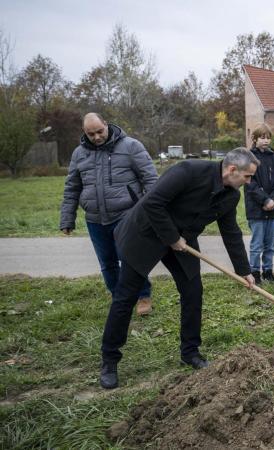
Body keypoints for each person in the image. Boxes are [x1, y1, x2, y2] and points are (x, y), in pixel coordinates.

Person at [99, 148, 258, 389]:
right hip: (146, 233)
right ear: (232, 170)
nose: (249, 182)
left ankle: (190, 352)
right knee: (126, 297)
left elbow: (231, 233)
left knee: (193, 291)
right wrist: (172, 237)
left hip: (182, 241)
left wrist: (244, 270)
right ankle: (109, 360)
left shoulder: (230, 196)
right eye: (248, 176)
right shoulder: (188, 171)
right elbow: (153, 203)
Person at [60, 113, 157, 315]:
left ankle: (143, 296)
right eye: (91, 133)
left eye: (99, 131)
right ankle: (119, 298)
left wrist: (155, 212)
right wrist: (67, 218)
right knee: (107, 262)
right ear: (84, 132)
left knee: (130, 258)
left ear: (106, 125)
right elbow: (72, 187)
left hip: (127, 214)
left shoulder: (131, 146)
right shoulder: (79, 154)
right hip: (95, 218)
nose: (96, 137)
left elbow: (151, 180)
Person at [244, 123, 274, 284]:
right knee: (257, 244)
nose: (265, 141)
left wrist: (273, 199)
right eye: (262, 137)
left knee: (270, 244)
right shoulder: (248, 158)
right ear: (254, 139)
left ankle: (268, 270)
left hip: (273, 208)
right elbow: (249, 183)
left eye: (268, 138)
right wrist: (265, 199)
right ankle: (255, 272)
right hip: (256, 209)